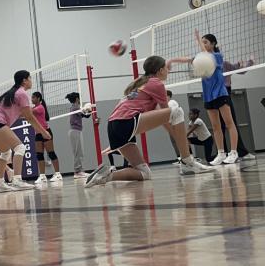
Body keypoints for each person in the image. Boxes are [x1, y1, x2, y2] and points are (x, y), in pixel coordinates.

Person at [86, 56, 212, 187]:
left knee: (144, 173)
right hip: (125, 122)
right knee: (177, 111)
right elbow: (167, 114)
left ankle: (106, 175)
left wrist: (115, 139)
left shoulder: (140, 83)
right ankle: (187, 162)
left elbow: (162, 117)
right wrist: (179, 137)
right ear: (160, 70)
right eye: (166, 68)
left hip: (114, 125)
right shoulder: (156, 83)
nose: (168, 71)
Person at [173, 32, 239, 165]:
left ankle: (233, 153)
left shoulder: (217, 56)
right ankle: (221, 153)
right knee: (215, 126)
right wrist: (171, 61)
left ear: (213, 44)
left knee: (229, 123)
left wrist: (198, 40)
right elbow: (188, 59)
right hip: (208, 96)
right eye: (202, 42)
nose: (203, 45)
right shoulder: (201, 58)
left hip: (220, 93)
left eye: (206, 42)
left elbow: (207, 56)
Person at [0, 71, 47, 193]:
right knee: (20, 148)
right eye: (30, 78)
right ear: (24, 81)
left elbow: (22, 114)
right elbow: (30, 117)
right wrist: (43, 131)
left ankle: (0, 184)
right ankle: (17, 180)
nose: (31, 81)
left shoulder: (14, 92)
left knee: (6, 152)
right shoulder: (22, 93)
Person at [31, 91, 63, 189]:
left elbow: (29, 112)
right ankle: (42, 176)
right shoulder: (34, 108)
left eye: (33, 97)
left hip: (46, 132)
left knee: (51, 153)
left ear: (38, 98)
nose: (32, 99)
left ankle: (58, 174)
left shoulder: (40, 108)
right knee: (39, 155)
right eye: (31, 97)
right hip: (38, 133)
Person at [65, 92, 90, 179]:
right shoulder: (75, 107)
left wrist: (88, 110)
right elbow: (86, 115)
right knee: (78, 152)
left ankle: (80, 171)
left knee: (80, 152)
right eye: (80, 98)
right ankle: (78, 172)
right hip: (75, 131)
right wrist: (89, 109)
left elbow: (85, 115)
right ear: (77, 99)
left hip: (77, 131)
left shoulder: (75, 107)